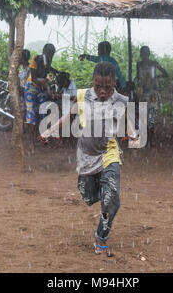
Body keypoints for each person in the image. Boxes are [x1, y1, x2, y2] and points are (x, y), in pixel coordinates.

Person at [39, 62, 140, 257]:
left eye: (107, 87)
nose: (103, 91)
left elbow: (126, 120)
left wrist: (132, 133)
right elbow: (68, 117)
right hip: (86, 156)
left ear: (114, 83)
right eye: (98, 86)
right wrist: (50, 130)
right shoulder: (84, 96)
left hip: (109, 153)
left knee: (111, 200)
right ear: (93, 82)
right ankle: (103, 195)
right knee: (88, 195)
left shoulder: (120, 100)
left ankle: (101, 237)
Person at [24, 43, 59, 151]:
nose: (51, 56)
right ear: (44, 52)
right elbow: (34, 78)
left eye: (52, 54)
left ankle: (41, 138)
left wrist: (56, 72)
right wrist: (47, 88)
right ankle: (30, 141)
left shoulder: (49, 61)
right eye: (49, 53)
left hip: (42, 88)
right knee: (31, 114)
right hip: (31, 88)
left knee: (43, 113)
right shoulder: (36, 59)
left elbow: (48, 69)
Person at [136, 46, 168, 147]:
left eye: (145, 54)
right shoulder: (143, 64)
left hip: (151, 93)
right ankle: (147, 140)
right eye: (143, 54)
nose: (144, 56)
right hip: (144, 93)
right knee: (145, 116)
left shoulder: (149, 64)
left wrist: (155, 78)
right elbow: (138, 78)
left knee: (150, 116)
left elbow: (165, 74)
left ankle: (149, 140)